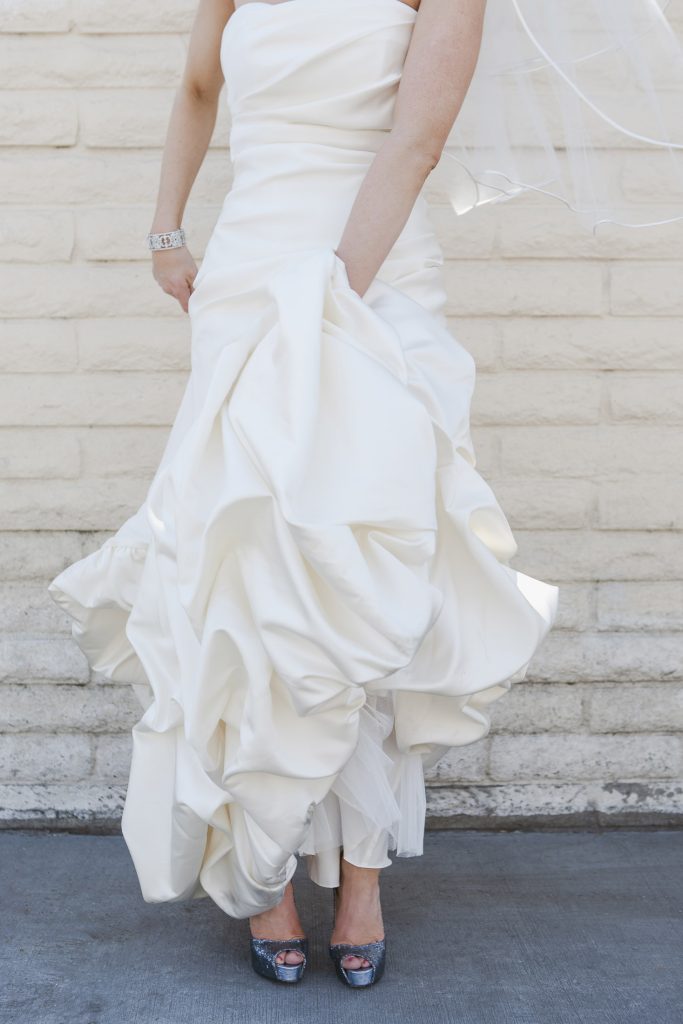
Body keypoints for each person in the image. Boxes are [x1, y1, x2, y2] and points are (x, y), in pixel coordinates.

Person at [47, 0, 681, 990]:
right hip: (249, 279)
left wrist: (327, 306)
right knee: (248, 568)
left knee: (371, 573)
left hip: (371, 284)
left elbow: (415, 142)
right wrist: (166, 232)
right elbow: (198, 86)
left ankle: (362, 876)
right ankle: (260, 872)